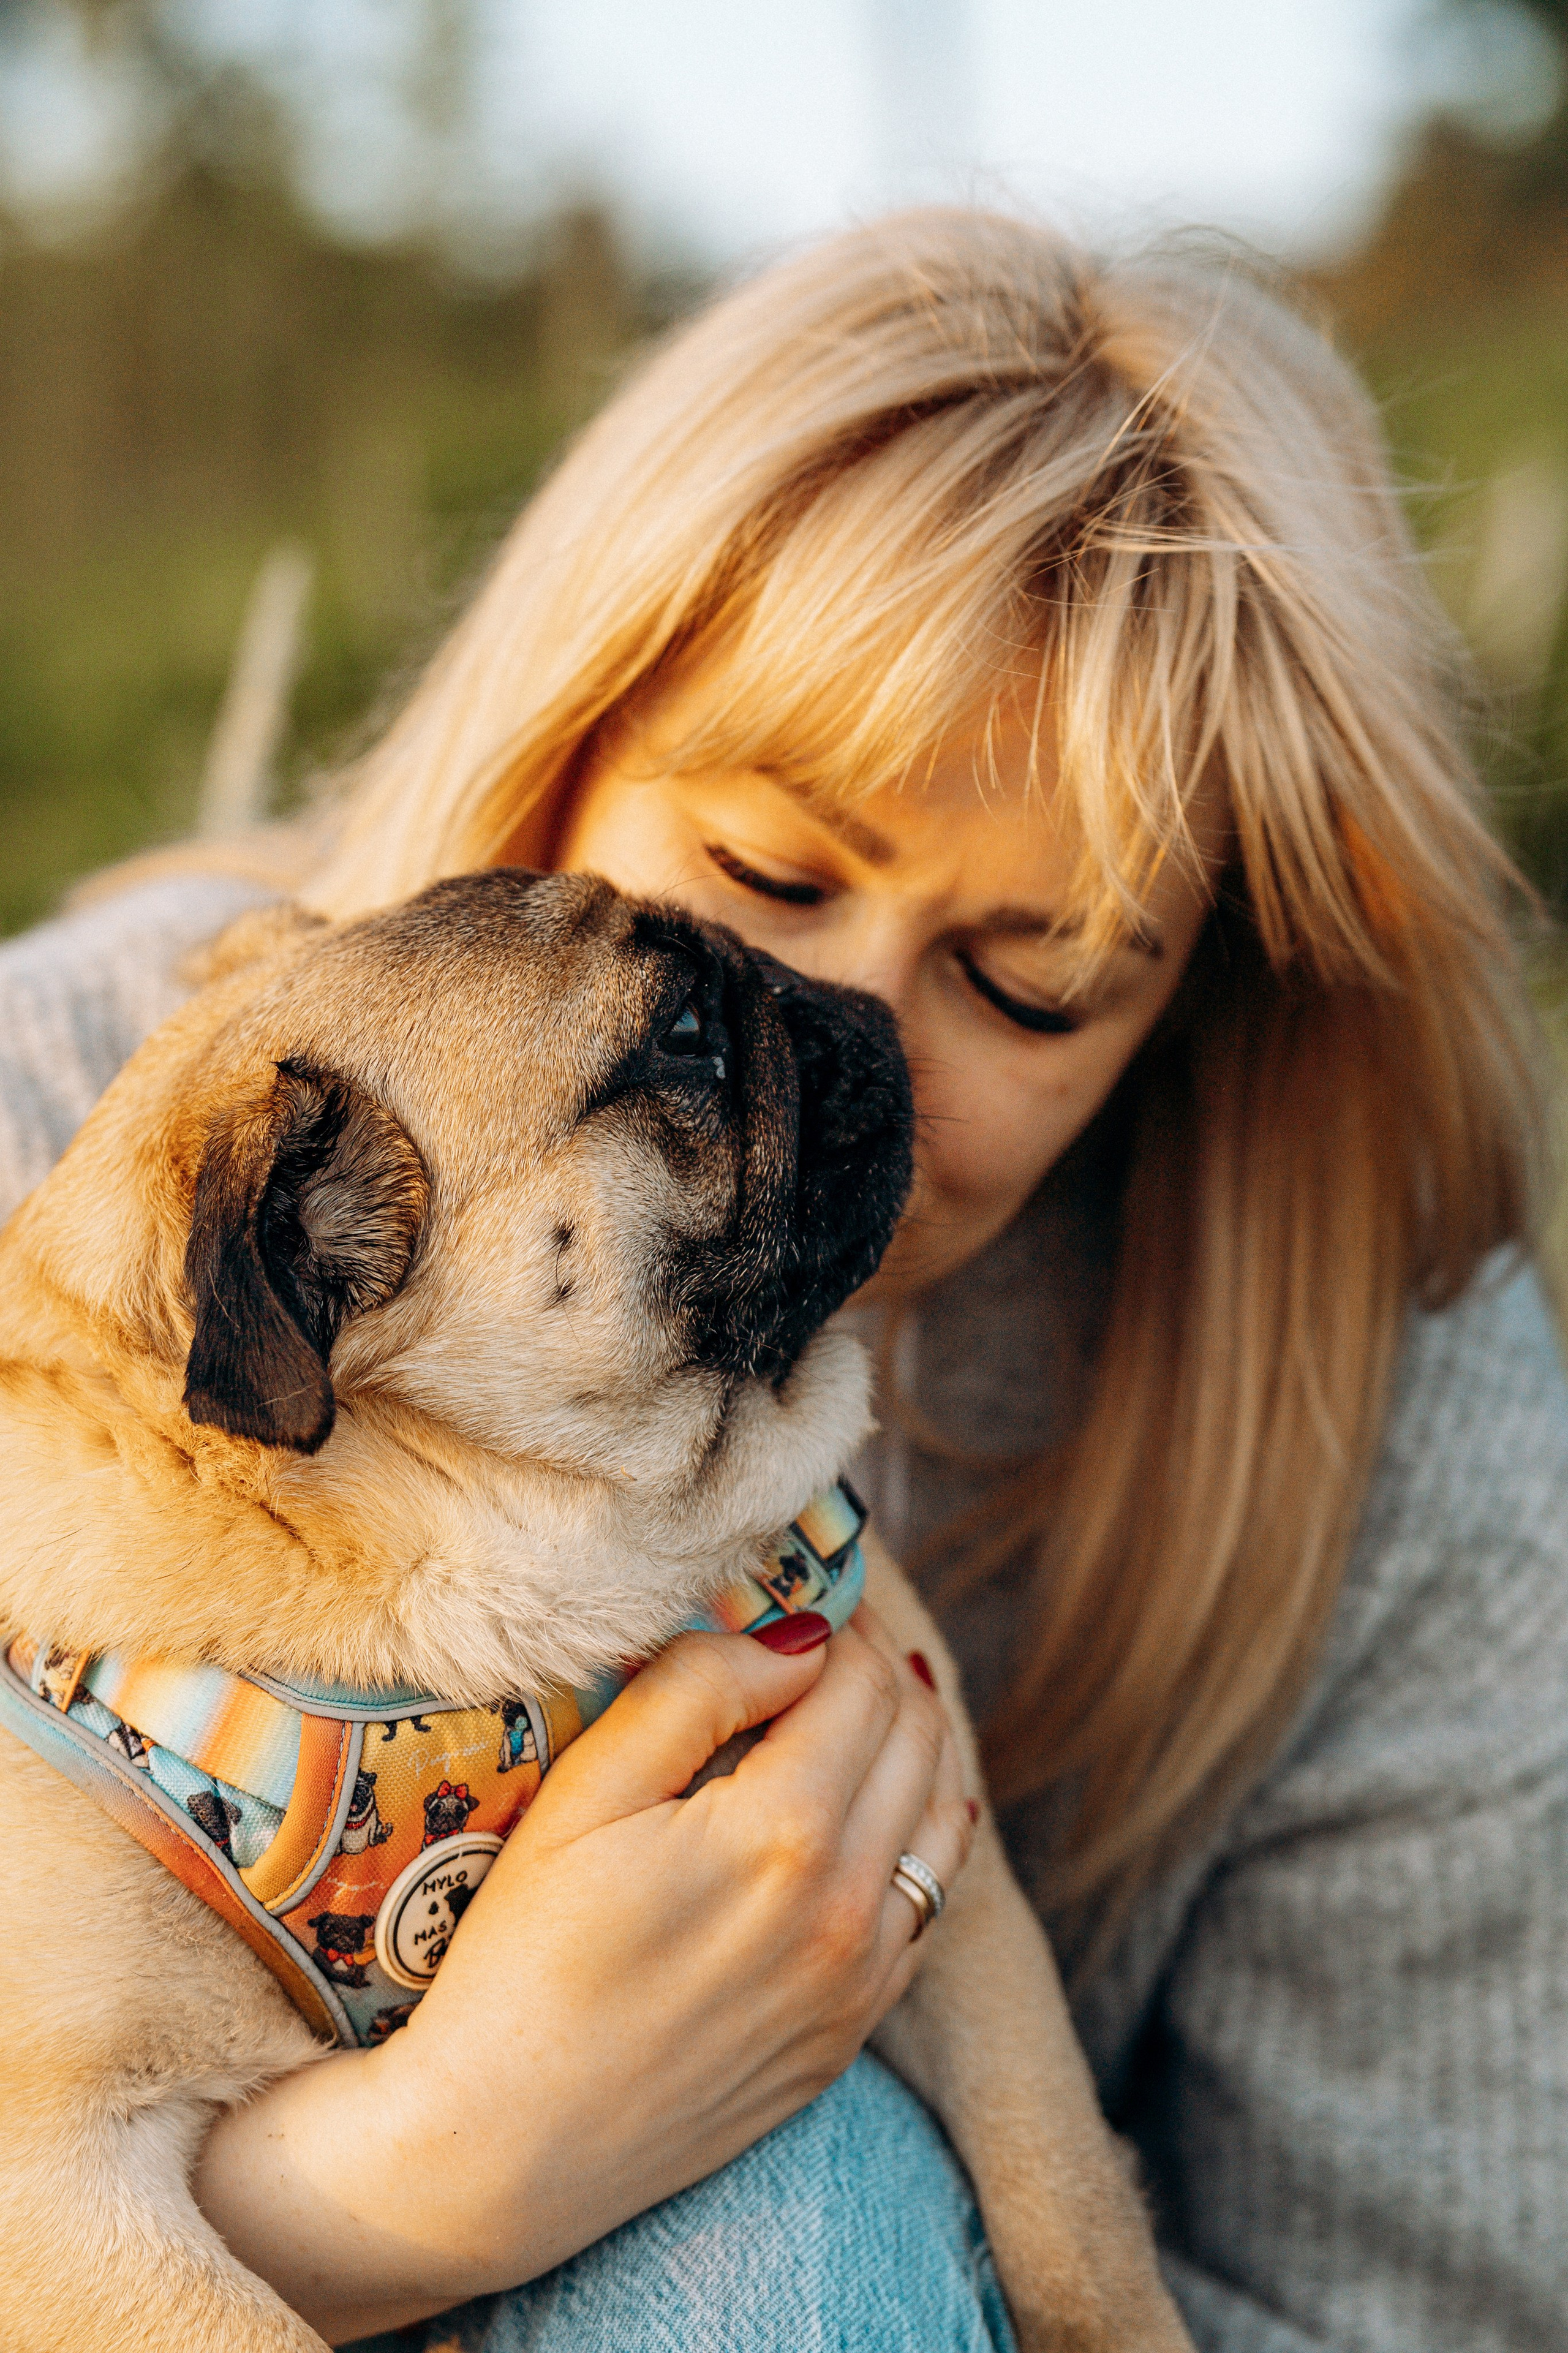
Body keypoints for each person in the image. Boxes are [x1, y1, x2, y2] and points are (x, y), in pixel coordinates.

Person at [1, 208, 1564, 2352]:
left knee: (790, 2217)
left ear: (1197, 1004)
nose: (862, 1025)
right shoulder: (83, 1119)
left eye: (1033, 985)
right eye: (758, 880)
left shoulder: (1405, 1415)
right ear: (572, 732)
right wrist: (434, 2180)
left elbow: (1411, 2306)